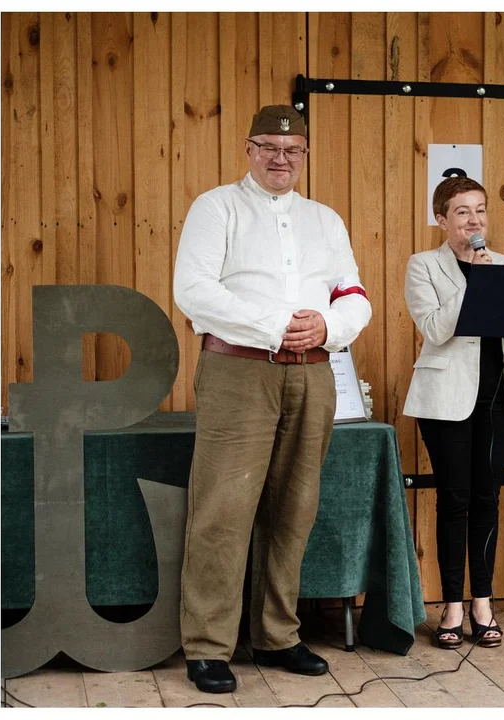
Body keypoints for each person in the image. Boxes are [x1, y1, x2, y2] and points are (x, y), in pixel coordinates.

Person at [173, 105, 372, 692]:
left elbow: (354, 294)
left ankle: (276, 635)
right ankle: (208, 645)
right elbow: (194, 290)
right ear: (249, 148)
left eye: (293, 150)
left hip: (314, 373)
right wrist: (277, 324)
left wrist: (330, 329)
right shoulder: (216, 208)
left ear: (304, 154)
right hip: (240, 370)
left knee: (295, 507)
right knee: (222, 509)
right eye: (269, 148)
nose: (280, 159)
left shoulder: (324, 219)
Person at [403, 177, 504, 650]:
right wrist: (476, 281)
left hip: (497, 399)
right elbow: (436, 329)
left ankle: (484, 602)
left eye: (479, 210)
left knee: (487, 500)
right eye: (462, 212)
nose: (474, 220)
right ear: (442, 219)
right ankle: (452, 605)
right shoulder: (423, 266)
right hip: (445, 400)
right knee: (453, 500)